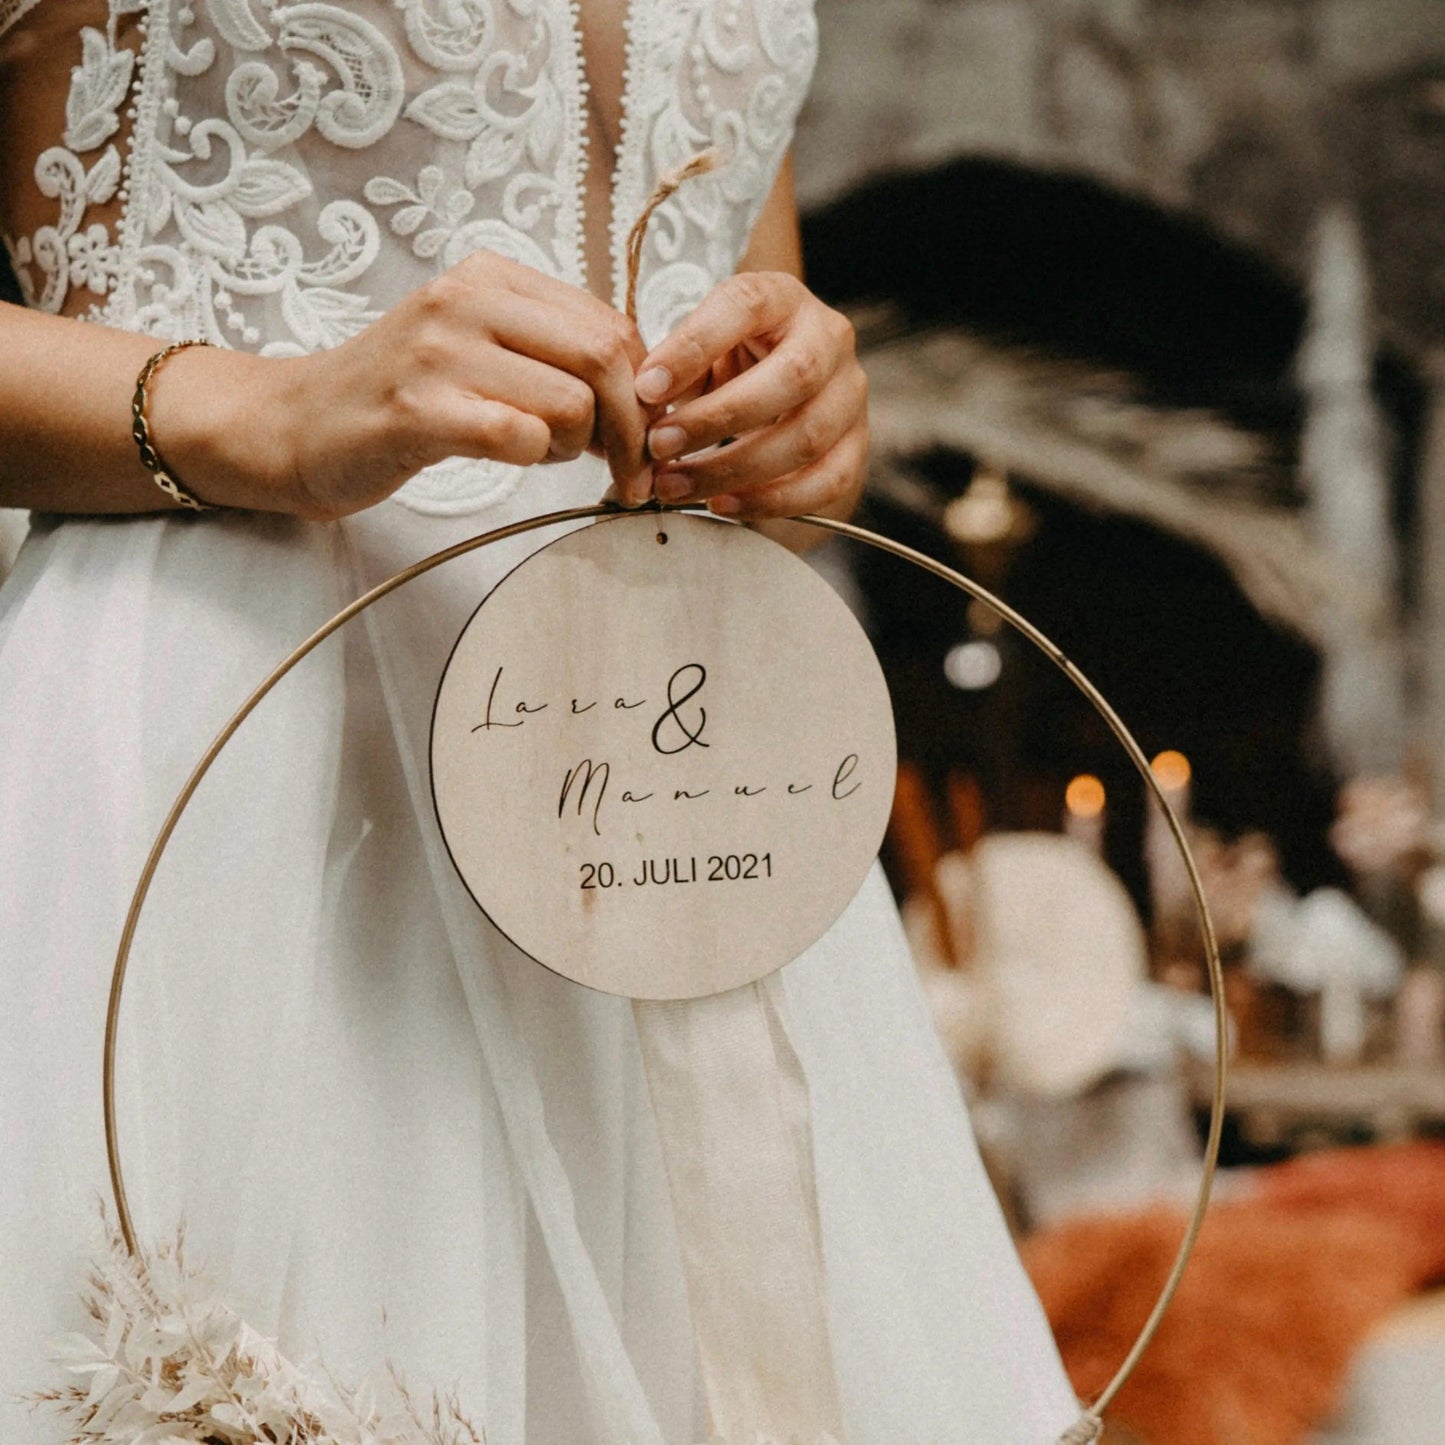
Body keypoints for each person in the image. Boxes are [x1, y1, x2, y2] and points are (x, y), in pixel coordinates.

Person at [0, 3, 1083, 1441]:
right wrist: (248, 409)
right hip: (234, 789)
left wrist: (797, 430)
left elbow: (733, 261)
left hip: (669, 791)